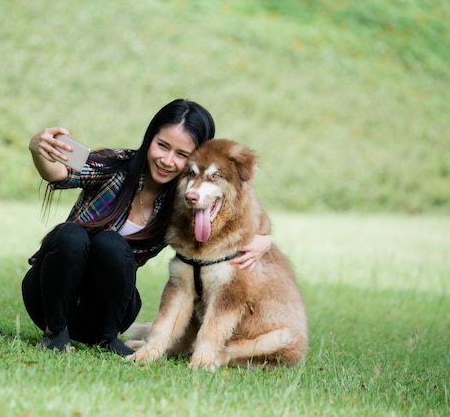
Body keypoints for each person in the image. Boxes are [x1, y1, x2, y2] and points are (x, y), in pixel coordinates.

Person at [21, 99, 271, 356]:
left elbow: (235, 212)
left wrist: (264, 239)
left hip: (107, 313)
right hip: (49, 297)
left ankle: (109, 338)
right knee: (71, 234)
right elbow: (58, 173)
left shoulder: (185, 200)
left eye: (182, 154)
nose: (168, 160)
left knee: (110, 244)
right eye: (162, 146)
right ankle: (55, 334)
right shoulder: (116, 165)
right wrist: (36, 148)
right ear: (149, 138)